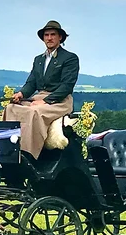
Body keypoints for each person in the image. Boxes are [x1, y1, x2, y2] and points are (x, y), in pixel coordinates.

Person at [4, 20, 79, 160]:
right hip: (39, 98)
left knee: (34, 112)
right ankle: (8, 148)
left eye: (53, 35)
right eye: (46, 35)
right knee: (11, 108)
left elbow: (67, 86)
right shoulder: (38, 59)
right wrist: (21, 93)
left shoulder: (70, 58)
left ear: (60, 37)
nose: (49, 38)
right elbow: (31, 82)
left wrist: (45, 101)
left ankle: (28, 153)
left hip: (60, 100)